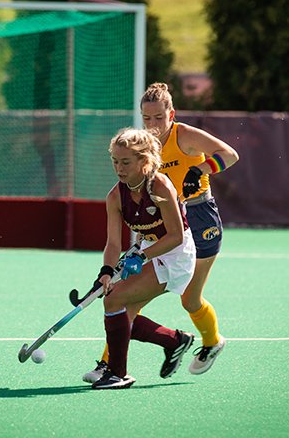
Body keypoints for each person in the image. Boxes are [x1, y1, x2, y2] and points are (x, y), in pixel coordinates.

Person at [83, 82, 239, 382]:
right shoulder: (140, 147)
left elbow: (230, 154)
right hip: (160, 226)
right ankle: (109, 363)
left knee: (190, 300)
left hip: (199, 218)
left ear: (172, 114)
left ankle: (212, 342)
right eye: (147, 118)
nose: (153, 125)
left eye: (158, 117)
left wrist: (201, 170)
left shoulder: (185, 136)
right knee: (128, 300)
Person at [91, 127, 197, 389]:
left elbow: (175, 236)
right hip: (148, 251)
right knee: (121, 317)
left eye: (126, 162)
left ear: (144, 161)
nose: (119, 168)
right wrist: (105, 271)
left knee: (115, 300)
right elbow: (113, 243)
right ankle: (174, 341)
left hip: (175, 255)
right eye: (115, 161)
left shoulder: (159, 186)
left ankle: (117, 374)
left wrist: (141, 256)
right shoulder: (115, 196)